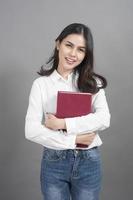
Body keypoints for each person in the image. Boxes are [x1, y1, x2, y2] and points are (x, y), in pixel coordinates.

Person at [25, 23, 111, 200]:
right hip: (54, 162)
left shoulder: (93, 83)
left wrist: (63, 124)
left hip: (89, 161)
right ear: (58, 44)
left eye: (81, 50)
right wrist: (74, 139)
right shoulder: (41, 85)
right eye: (69, 45)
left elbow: (104, 119)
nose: (73, 54)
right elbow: (31, 130)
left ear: (86, 54)